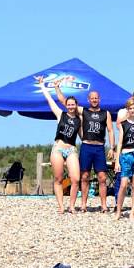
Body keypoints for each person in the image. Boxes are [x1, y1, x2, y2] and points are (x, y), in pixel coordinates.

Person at [53, 83, 115, 213]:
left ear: (99, 99)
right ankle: (83, 204)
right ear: (88, 100)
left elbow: (110, 130)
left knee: (102, 177)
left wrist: (112, 147)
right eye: (92, 98)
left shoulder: (106, 113)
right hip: (86, 146)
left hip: (99, 148)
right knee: (84, 176)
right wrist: (57, 88)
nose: (94, 100)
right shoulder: (83, 111)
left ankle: (103, 205)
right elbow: (65, 102)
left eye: (96, 98)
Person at [37, 76, 81, 214]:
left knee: (75, 179)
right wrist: (42, 85)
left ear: (76, 105)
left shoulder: (79, 120)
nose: (71, 106)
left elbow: (84, 137)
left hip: (71, 150)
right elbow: (50, 100)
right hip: (58, 149)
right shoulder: (60, 114)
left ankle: (72, 205)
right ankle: (61, 206)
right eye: (69, 104)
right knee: (58, 178)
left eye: (73, 104)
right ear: (66, 105)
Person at [113, 98, 134, 220]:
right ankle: (118, 210)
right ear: (127, 109)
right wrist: (117, 160)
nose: (133, 110)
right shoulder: (123, 124)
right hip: (126, 154)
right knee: (123, 184)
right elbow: (120, 143)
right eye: (130, 108)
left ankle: (133, 211)